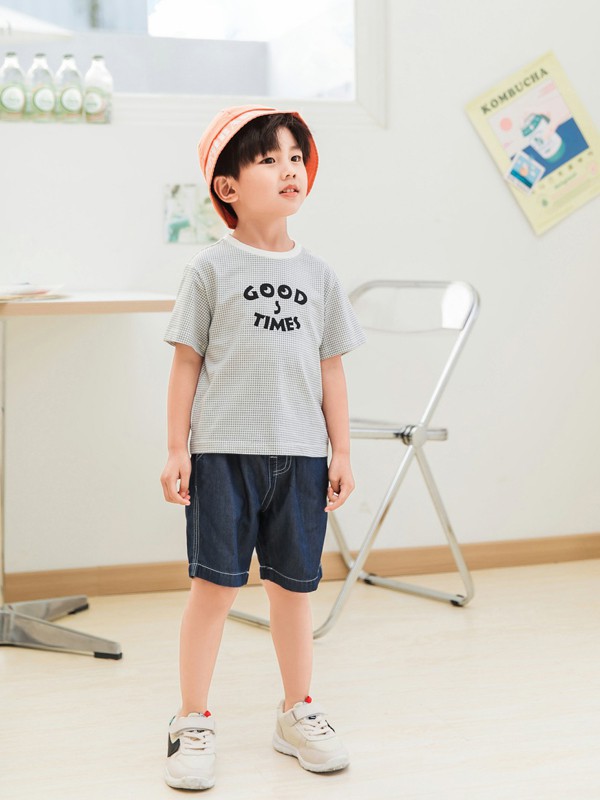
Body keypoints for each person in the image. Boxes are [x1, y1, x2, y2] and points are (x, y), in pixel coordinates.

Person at [160, 104, 366, 791]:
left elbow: (331, 370)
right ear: (228, 186)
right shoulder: (209, 269)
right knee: (214, 590)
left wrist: (341, 451)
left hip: (302, 457)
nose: (289, 169)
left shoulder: (321, 275)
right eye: (269, 159)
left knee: (293, 592)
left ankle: (297, 710)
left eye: (296, 157)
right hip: (223, 455)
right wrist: (176, 448)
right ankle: (192, 717)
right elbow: (186, 363)